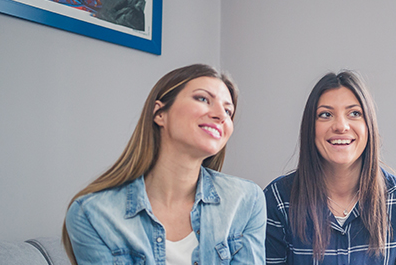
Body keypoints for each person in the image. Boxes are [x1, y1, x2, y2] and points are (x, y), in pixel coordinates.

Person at [63, 64, 266, 265]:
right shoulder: (92, 214)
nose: (221, 115)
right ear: (160, 113)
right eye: (203, 99)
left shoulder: (247, 200)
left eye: (228, 111)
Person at [264, 71, 396, 264]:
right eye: (326, 115)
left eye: (354, 113)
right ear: (310, 127)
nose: (341, 126)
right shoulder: (277, 200)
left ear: (369, 126)